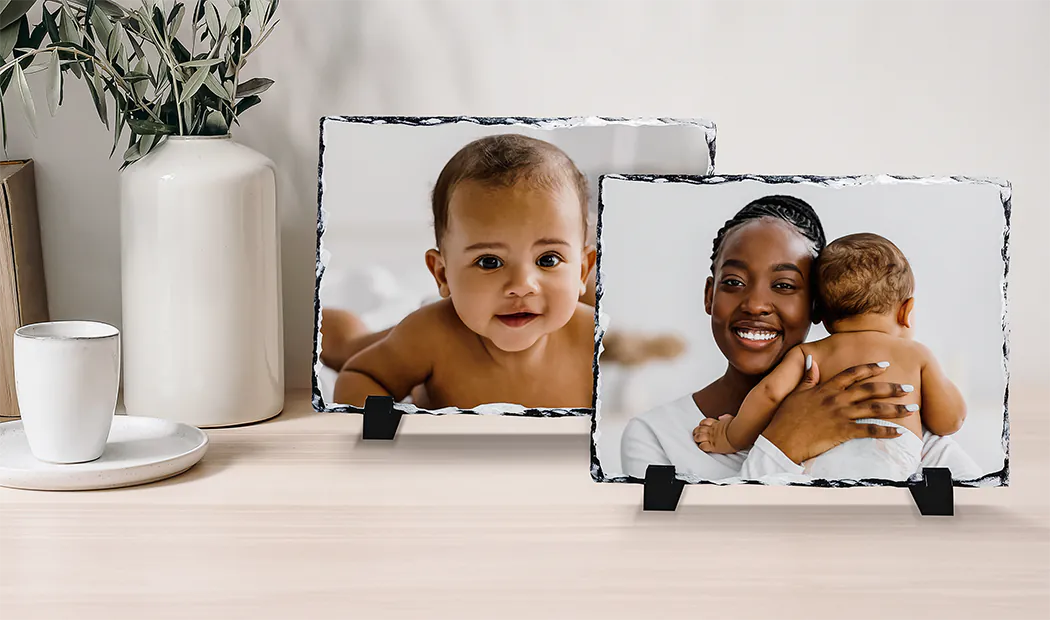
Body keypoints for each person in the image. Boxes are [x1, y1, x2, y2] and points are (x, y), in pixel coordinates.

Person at [618, 195, 982, 483]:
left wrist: (734, 437)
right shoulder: (655, 437)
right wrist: (784, 442)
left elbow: (972, 523)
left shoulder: (887, 410)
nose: (756, 304)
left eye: (784, 285)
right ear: (709, 295)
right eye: (733, 282)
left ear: (816, 306)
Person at [331, 133, 597, 410]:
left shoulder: (592, 339)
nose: (521, 285)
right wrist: (385, 422)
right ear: (443, 274)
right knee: (354, 348)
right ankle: (346, 335)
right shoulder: (431, 334)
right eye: (489, 262)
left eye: (548, 260)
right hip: (438, 319)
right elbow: (362, 376)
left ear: (582, 271)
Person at [693, 232, 966, 481]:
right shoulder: (915, 354)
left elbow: (769, 394)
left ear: (820, 315)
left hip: (822, 460)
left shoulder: (809, 353)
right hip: (892, 459)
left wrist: (729, 436)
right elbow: (949, 421)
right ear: (906, 311)